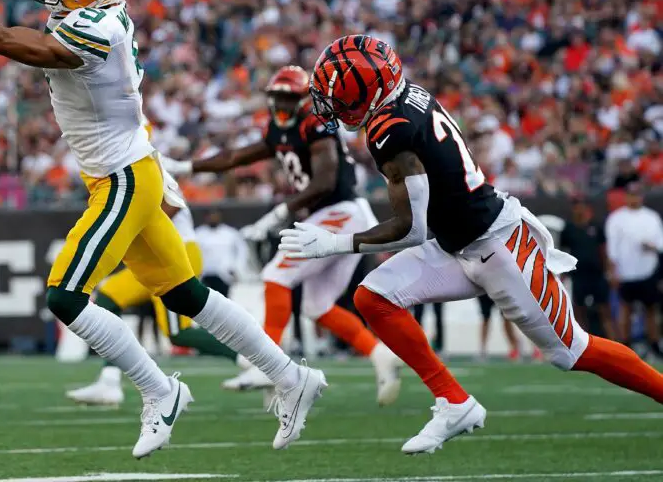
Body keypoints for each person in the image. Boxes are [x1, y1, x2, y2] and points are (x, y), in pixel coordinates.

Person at [0, 0, 325, 457]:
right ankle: (292, 377)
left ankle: (160, 389)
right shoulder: (90, 1)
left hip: (123, 177)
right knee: (187, 295)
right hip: (128, 168)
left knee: (65, 295)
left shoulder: (97, 32)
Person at [279, 35, 663, 455]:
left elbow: (411, 229)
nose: (328, 107)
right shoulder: (405, 97)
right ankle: (454, 401)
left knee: (572, 350)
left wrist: (334, 243)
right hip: (457, 245)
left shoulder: (391, 132)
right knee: (373, 297)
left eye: (335, 98)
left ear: (361, 95)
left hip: (498, 245)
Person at [162, 65, 402, 406]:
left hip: (340, 211)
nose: (281, 105)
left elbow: (325, 181)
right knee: (317, 305)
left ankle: (268, 364)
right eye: (277, 97)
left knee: (276, 274)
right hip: (337, 215)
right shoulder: (280, 127)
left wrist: (280, 212)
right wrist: (186, 167)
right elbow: (236, 157)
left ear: (303, 99)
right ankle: (379, 353)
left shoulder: (316, 123)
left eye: (288, 98)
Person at [67, 120, 245, 407]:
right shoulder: (121, 162)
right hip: (156, 253)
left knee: (179, 333)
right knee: (110, 296)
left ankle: (252, 360)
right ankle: (110, 382)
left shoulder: (145, 160)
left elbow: (173, 203)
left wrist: (131, 222)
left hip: (176, 251)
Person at [605, 183, 663, 355]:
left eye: (637, 194)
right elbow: (612, 248)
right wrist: (613, 270)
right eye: (631, 194)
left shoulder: (651, 217)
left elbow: (660, 243)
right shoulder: (617, 218)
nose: (634, 198)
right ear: (626, 196)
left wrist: (651, 246)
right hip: (626, 271)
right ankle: (625, 345)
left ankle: (654, 344)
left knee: (651, 309)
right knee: (625, 308)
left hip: (648, 270)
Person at [560, 197, 617, 340]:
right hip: (578, 276)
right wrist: (563, 274)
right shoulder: (568, 229)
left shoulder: (596, 227)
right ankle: (583, 346)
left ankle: (616, 344)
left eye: (581, 206)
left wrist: (609, 272)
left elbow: (604, 251)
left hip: (597, 275)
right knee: (579, 311)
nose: (579, 210)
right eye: (576, 206)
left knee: (604, 310)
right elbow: (563, 252)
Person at [194, 209, 247, 297]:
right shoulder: (198, 233)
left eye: (215, 216)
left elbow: (242, 251)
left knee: (223, 302)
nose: (213, 218)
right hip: (204, 274)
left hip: (224, 274)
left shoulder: (230, 233)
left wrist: (237, 268)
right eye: (210, 216)